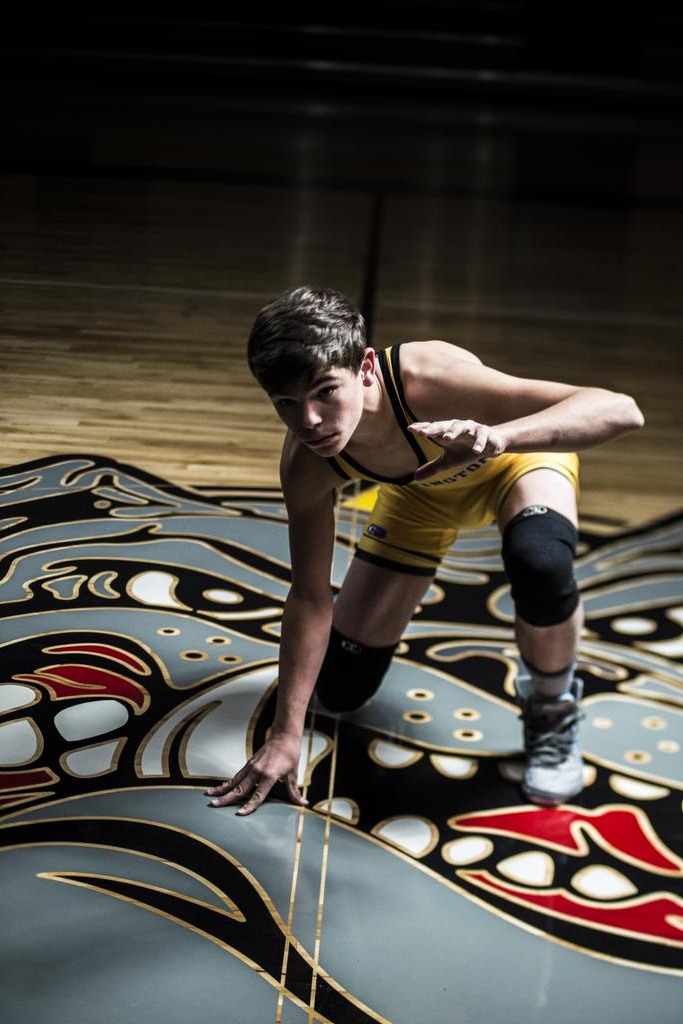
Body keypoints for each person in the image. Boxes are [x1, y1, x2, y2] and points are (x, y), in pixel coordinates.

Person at [207, 286, 644, 815]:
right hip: (421, 499)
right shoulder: (306, 463)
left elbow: (622, 411)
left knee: (540, 562)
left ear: (367, 367)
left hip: (514, 466)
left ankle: (552, 709)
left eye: (325, 391)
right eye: (286, 403)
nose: (310, 421)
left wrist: (500, 438)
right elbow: (309, 597)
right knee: (340, 690)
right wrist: (285, 734)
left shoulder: (430, 378)